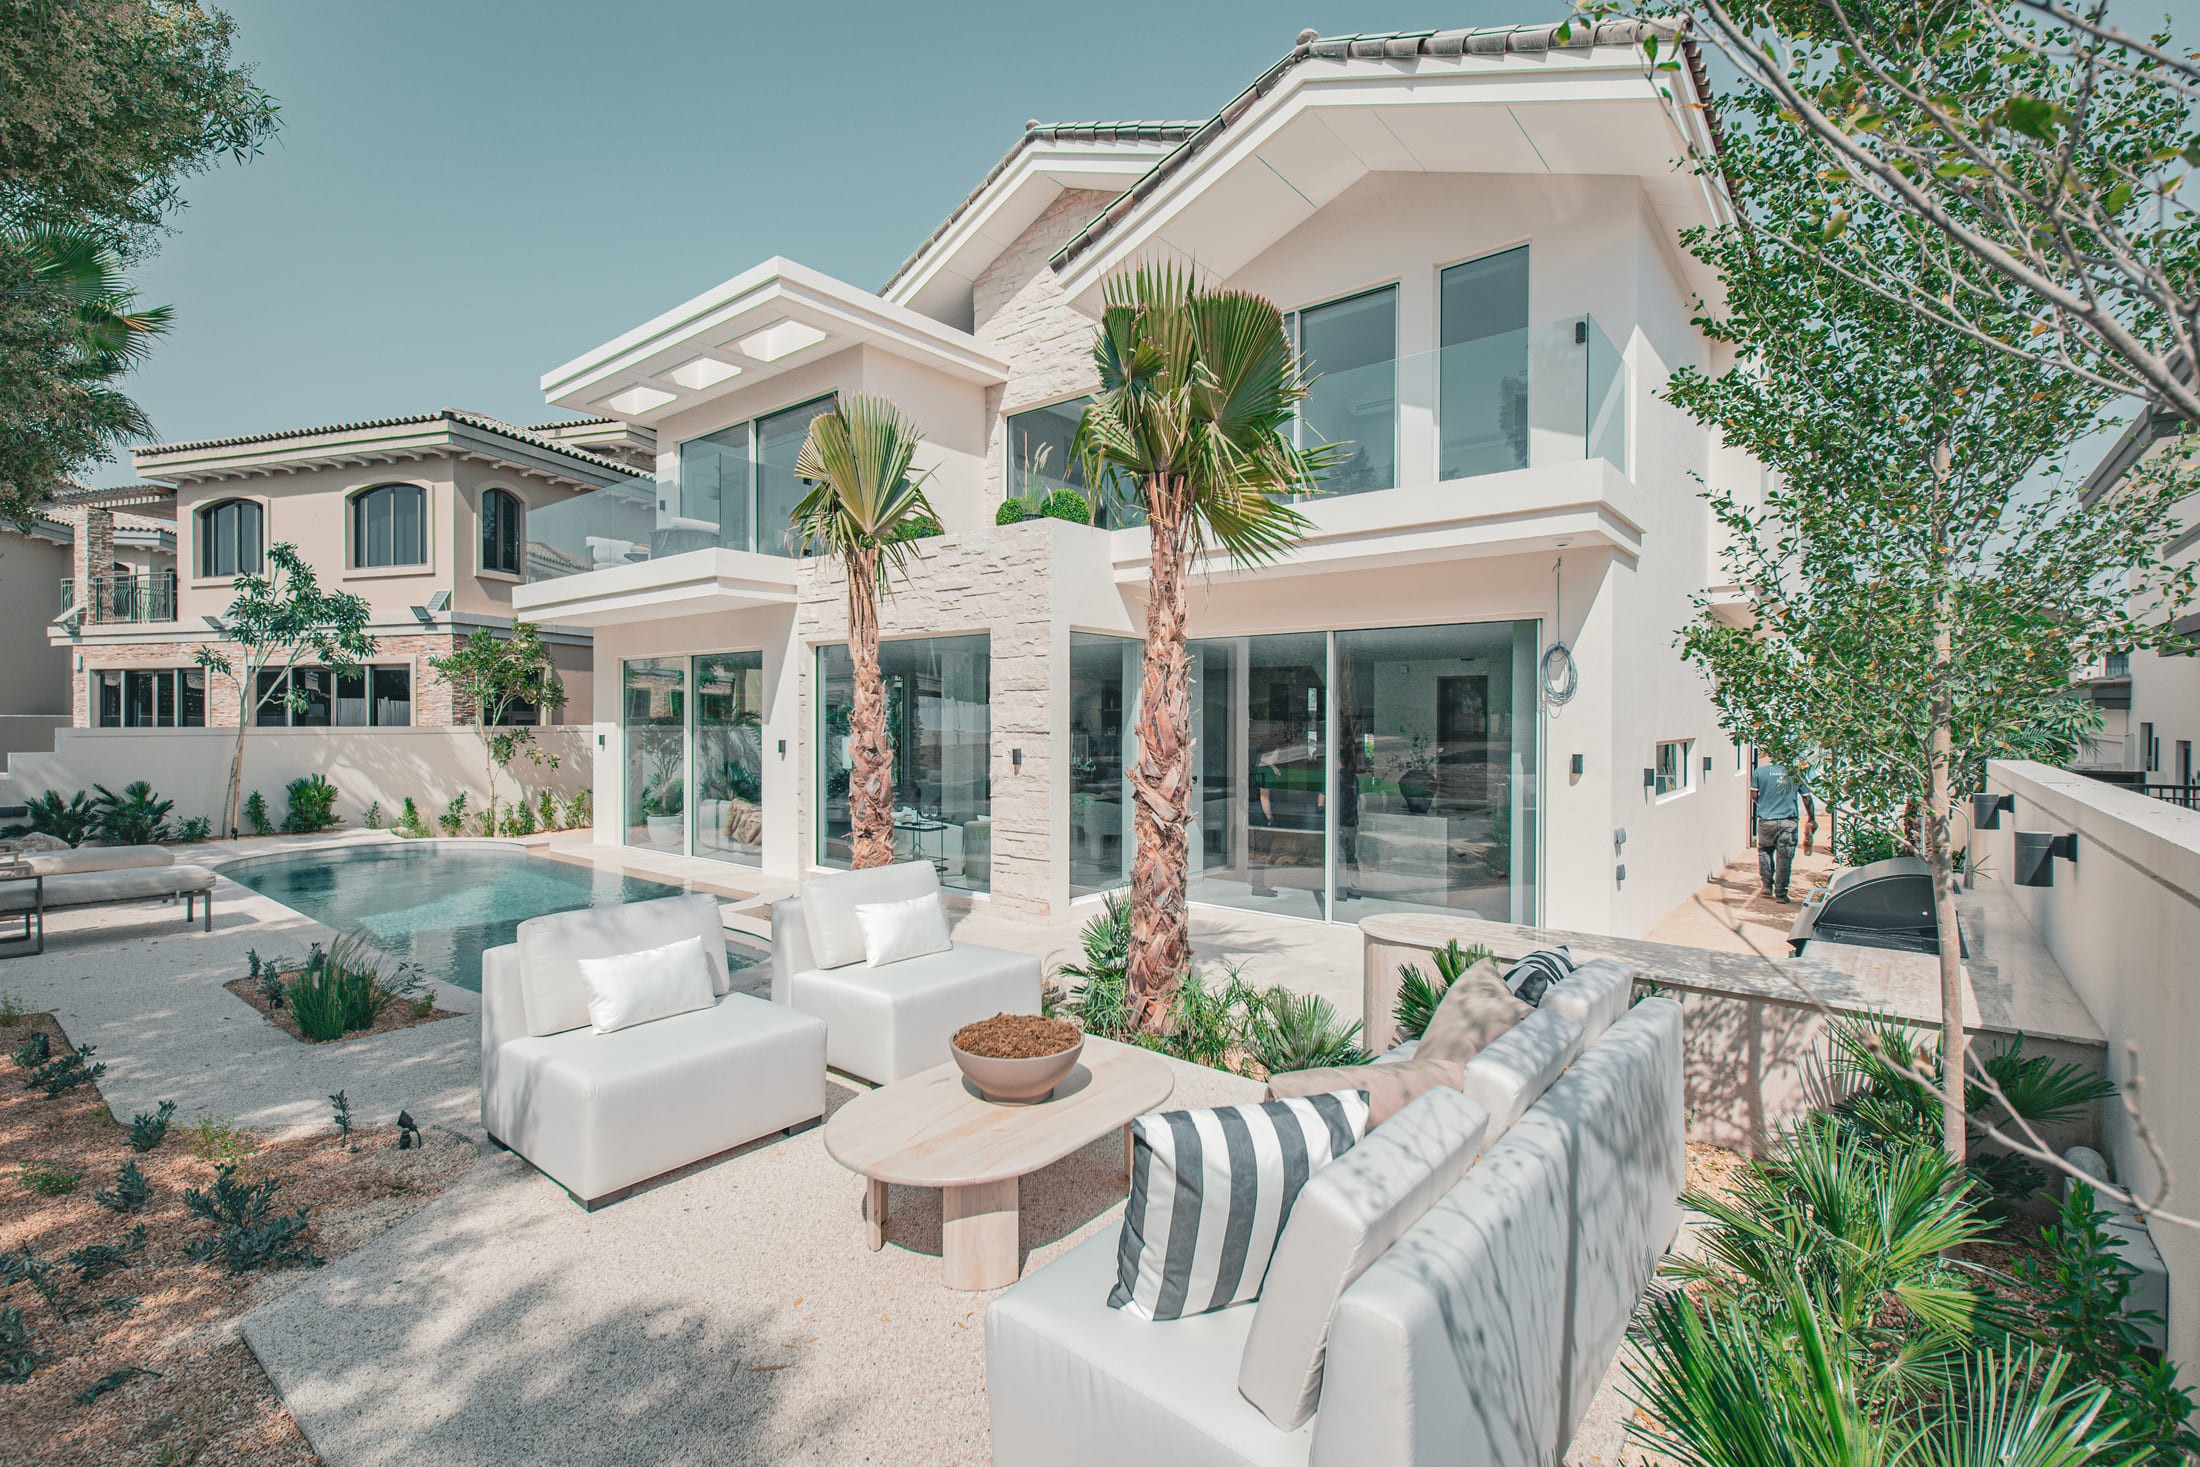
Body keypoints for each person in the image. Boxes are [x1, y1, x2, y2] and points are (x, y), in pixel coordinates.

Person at [1750, 754, 1808, 902]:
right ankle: (1781, 893)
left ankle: (1766, 885)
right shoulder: (1795, 773)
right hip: (1788, 821)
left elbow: (1753, 794)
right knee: (1785, 857)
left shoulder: (1759, 772)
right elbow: (1806, 797)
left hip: (1766, 821)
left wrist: (1764, 805)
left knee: (1764, 851)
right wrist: (1812, 818)